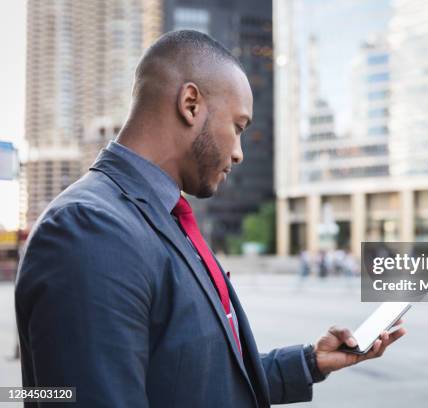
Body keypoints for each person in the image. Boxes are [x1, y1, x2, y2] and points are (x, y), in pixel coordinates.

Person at [15, 31, 406, 407]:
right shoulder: (91, 230)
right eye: (237, 127)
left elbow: (198, 381)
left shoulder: (160, 221)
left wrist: (309, 362)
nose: (238, 153)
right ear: (190, 104)